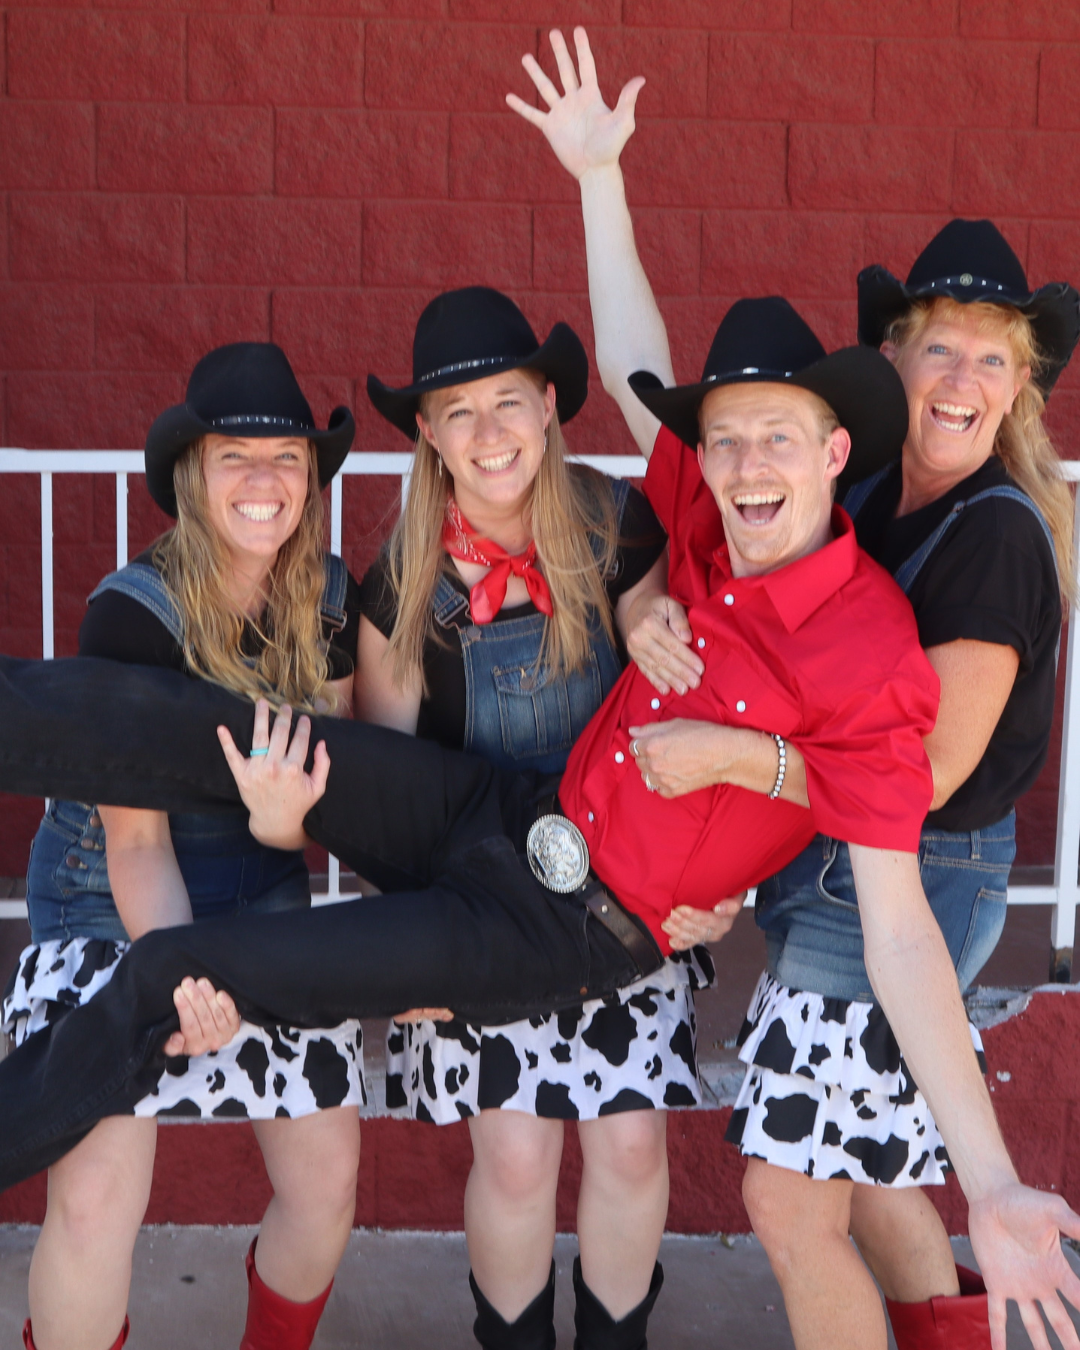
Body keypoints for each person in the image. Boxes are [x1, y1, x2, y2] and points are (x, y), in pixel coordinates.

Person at [0, 297, 1077, 1349]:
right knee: (220, 727)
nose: (751, 465)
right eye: (728, 441)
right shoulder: (707, 541)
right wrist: (598, 175)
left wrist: (991, 1181)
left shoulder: (875, 661)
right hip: (509, 814)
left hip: (566, 932)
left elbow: (899, 932)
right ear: (700, 463)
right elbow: (633, 367)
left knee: (182, 969)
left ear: (835, 451)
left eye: (779, 440)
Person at [504, 27, 1080, 1350]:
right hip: (830, 852)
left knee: (784, 1189)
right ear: (891, 361)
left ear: (1022, 384)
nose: (964, 380)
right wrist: (603, 181)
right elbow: (666, 413)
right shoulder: (857, 486)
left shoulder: (997, 536)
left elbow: (914, 779)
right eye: (942, 348)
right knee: (862, 1171)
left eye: (995, 358)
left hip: (920, 868)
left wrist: (725, 773)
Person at [358, 284, 710, 1349]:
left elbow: (664, 649)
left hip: (625, 899)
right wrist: (410, 951)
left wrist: (651, 618)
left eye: (507, 401)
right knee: (514, 1156)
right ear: (426, 433)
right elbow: (387, 793)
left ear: (553, 404)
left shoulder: (613, 525)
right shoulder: (403, 589)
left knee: (630, 1148)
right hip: (482, 911)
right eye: (457, 411)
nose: (488, 432)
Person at [1, 343, 366, 1350]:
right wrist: (182, 981)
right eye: (233, 458)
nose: (263, 483)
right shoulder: (132, 616)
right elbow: (134, 844)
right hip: (110, 899)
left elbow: (336, 784)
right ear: (190, 479)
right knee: (94, 1194)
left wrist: (291, 828)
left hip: (261, 890)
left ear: (311, 477)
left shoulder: (331, 598)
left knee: (327, 1178)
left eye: (285, 458)